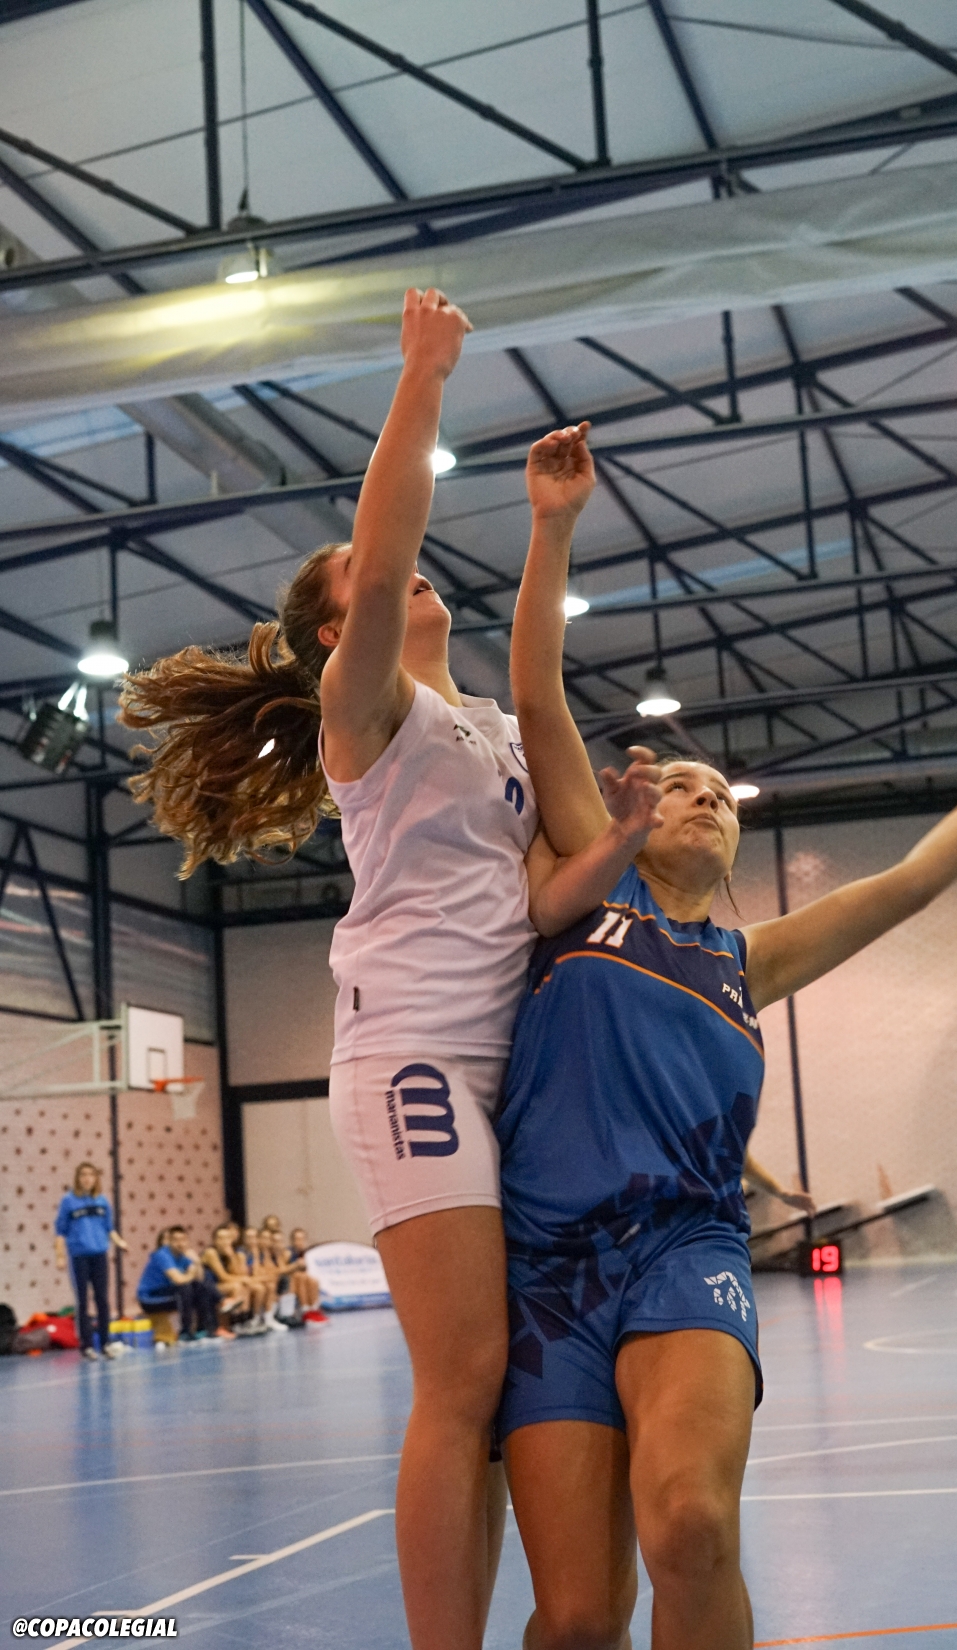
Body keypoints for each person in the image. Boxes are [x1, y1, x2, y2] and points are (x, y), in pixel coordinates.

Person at [495, 456, 957, 1649]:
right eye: (680, 785)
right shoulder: (583, 894)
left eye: (722, 795)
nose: (705, 798)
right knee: (574, 1618)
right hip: (546, 1263)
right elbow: (534, 695)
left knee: (689, 1528)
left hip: (685, 1249)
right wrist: (551, 526)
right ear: (628, 816)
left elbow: (911, 881)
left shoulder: (747, 959)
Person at [119, 290, 601, 1650]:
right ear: (336, 634)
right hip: (416, 1058)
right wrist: (423, 377)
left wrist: (552, 527)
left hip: (508, 1070)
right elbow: (383, 566)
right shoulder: (367, 714)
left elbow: (539, 878)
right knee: (462, 1377)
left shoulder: (484, 728)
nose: (399, 573)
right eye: (360, 579)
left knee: (496, 1383)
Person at [53, 1162, 128, 1361]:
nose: (87, 1179)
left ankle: (105, 1342)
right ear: (77, 1178)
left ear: (96, 1178)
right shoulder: (68, 1201)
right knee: (82, 1300)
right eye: (83, 1175)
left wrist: (119, 1242)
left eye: (91, 1175)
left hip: (99, 1255)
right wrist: (60, 1256)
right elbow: (60, 1232)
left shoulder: (102, 1201)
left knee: (102, 1299)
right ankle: (86, 1345)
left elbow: (109, 1228)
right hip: (79, 1256)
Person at [136, 1226, 220, 1344]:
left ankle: (204, 1330)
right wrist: (190, 1274)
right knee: (185, 1289)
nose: (180, 1243)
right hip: (150, 1298)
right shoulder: (162, 1255)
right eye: (176, 1240)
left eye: (183, 1240)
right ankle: (185, 1332)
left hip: (171, 1292)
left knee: (201, 1287)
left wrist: (196, 1262)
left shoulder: (184, 1256)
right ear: (169, 1242)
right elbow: (179, 1280)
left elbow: (199, 1278)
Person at [202, 1224, 261, 1336]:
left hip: (221, 1286)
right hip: (208, 1288)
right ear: (214, 1240)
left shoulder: (229, 1253)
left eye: (227, 1238)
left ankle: (244, 1320)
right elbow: (223, 1277)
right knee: (237, 1286)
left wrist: (232, 1257)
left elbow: (238, 1273)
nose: (224, 1242)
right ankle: (233, 1323)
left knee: (245, 1286)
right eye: (221, 1238)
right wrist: (243, 1279)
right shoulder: (211, 1253)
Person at [281, 1226, 326, 1321]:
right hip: (288, 1280)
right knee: (300, 1277)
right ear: (292, 1240)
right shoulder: (288, 1252)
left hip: (302, 1279)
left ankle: (314, 1308)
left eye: (302, 1239)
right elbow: (282, 1270)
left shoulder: (305, 1253)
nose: (300, 1242)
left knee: (313, 1281)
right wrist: (295, 1265)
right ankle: (305, 1309)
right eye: (297, 1239)